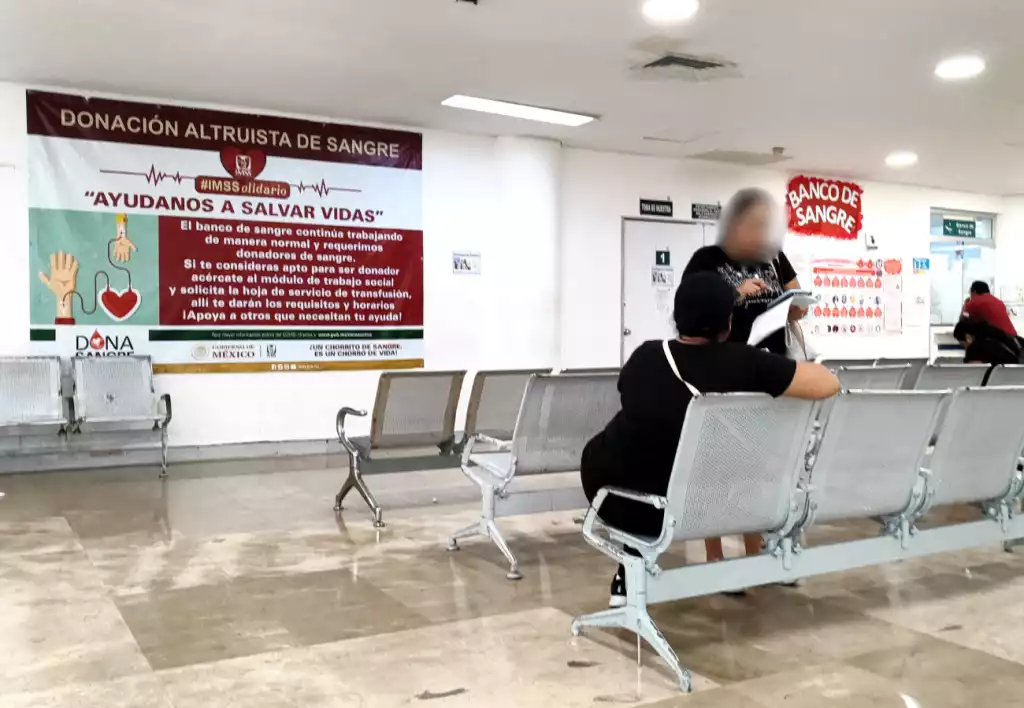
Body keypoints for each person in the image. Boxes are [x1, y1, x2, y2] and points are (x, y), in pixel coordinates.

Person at [580, 272, 840, 607]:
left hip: (610, 493)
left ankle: (629, 565)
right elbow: (827, 383)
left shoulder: (645, 356)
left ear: (677, 318)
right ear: (727, 323)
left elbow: (631, 401)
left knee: (646, 451)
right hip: (691, 506)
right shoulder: (744, 363)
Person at [683, 188, 805, 355]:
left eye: (765, 225)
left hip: (774, 363)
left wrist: (797, 309)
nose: (762, 232)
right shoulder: (706, 259)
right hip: (728, 363)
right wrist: (736, 293)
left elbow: (795, 294)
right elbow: (691, 312)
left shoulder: (774, 256)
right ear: (734, 225)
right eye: (754, 224)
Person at [953, 316, 1021, 365]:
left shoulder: (975, 349)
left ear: (968, 337)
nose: (965, 348)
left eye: (963, 344)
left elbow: (970, 374)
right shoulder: (1012, 339)